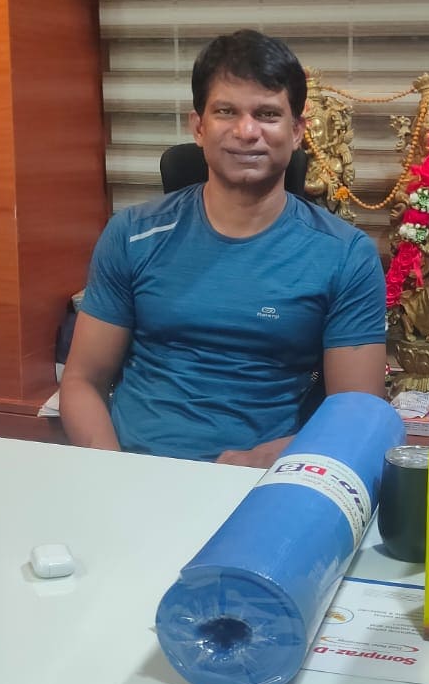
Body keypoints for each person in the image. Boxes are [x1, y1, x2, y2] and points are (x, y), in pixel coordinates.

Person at [60, 30, 386, 466]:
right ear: (198, 127)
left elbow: (356, 419)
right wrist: (113, 472)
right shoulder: (132, 234)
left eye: (267, 114)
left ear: (296, 132)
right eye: (226, 111)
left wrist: (252, 464)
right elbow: (82, 381)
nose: (246, 131)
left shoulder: (344, 255)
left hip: (263, 480)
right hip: (132, 470)